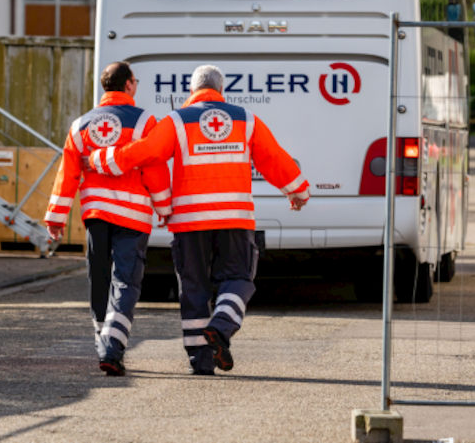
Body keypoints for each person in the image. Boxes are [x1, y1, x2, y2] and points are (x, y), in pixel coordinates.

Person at [84, 64, 309, 375]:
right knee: (239, 278)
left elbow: (147, 152)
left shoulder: (177, 120)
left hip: (189, 221)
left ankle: (201, 362)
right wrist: (297, 190)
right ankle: (222, 325)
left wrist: (101, 159)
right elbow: (272, 157)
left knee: (194, 288)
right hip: (234, 218)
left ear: (192, 90)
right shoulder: (245, 119)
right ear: (221, 89)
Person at [44, 61, 172, 376]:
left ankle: (103, 340)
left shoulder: (80, 125)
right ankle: (112, 348)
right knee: (126, 281)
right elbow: (154, 167)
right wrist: (164, 207)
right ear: (128, 84)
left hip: (96, 215)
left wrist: (55, 217)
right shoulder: (144, 122)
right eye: (135, 81)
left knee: (98, 278)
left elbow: (68, 175)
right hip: (132, 216)